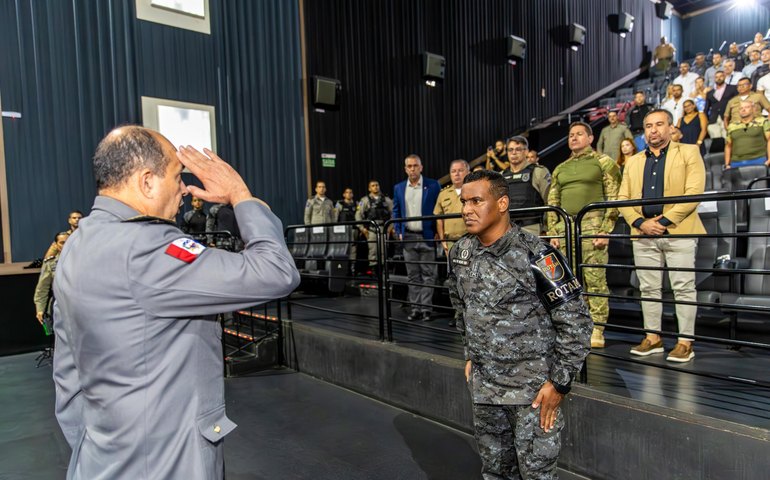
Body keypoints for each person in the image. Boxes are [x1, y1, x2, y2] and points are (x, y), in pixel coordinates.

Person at [52, 126, 300, 479]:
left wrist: (105, 446)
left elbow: (68, 375)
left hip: (100, 460)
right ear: (147, 181)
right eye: (177, 176)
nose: (184, 189)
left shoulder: (76, 246)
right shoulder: (148, 248)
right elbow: (276, 271)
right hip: (166, 465)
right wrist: (240, 194)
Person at [448, 169, 591, 480]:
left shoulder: (537, 254)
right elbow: (461, 305)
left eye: (476, 201)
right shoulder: (461, 252)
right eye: (464, 202)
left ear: (502, 204)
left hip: (532, 394)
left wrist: (559, 384)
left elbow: (577, 322)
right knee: (495, 472)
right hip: (486, 391)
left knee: (537, 475)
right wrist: (470, 353)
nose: (467, 209)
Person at [618, 109, 706, 363]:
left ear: (670, 127)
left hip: (679, 230)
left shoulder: (689, 152)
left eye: (659, 124)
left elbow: (693, 194)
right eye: (648, 126)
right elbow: (623, 198)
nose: (653, 130)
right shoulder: (633, 161)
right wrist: (641, 223)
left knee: (683, 287)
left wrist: (663, 222)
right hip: (643, 233)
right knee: (648, 288)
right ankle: (653, 338)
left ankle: (685, 342)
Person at [546, 122, 621, 349]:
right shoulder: (560, 168)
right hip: (565, 229)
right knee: (568, 281)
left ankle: (597, 328)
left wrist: (605, 229)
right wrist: (553, 231)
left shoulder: (604, 162)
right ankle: (575, 326)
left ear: (590, 138)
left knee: (595, 279)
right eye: (571, 135)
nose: (574, 137)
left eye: (579, 134)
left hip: (592, 227)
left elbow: (614, 197)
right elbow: (553, 202)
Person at [393, 154, 441, 321]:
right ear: (405, 169)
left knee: (428, 274)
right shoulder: (399, 188)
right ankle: (416, 309)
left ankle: (426, 309)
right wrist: (398, 230)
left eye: (415, 166)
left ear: (421, 167)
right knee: (413, 275)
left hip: (427, 236)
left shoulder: (433, 185)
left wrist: (438, 231)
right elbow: (396, 211)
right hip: (408, 237)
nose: (412, 169)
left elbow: (438, 209)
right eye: (409, 166)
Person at [501, 136, 551, 234]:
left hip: (533, 228)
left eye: (518, 149)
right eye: (510, 150)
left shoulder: (538, 172)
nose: (514, 153)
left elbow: (549, 201)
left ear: (526, 151)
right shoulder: (501, 176)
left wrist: (546, 229)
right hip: (507, 229)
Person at [34, 231, 69, 328]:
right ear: (56, 245)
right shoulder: (51, 263)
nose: (65, 245)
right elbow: (42, 288)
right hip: (59, 302)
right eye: (62, 243)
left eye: (68, 242)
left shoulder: (81, 260)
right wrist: (40, 309)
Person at [434, 159, 469, 255]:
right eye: (453, 171)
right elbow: (439, 218)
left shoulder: (474, 191)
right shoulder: (443, 194)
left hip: (470, 240)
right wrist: (442, 240)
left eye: (460, 170)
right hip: (450, 242)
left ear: (468, 172)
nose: (457, 174)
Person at [356, 180, 394, 267]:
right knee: (373, 251)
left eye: (377, 185)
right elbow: (358, 215)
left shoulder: (386, 199)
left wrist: (390, 227)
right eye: (373, 185)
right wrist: (362, 228)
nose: (375, 187)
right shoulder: (364, 200)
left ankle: (384, 269)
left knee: (384, 250)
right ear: (369, 188)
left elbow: (394, 214)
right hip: (371, 229)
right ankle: (374, 270)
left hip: (384, 228)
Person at [725, 100, 770, 168]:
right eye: (741, 108)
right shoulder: (732, 126)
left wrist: (769, 160)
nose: (743, 110)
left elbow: (769, 140)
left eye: (747, 107)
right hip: (736, 162)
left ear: (753, 109)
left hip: (759, 160)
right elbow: (728, 146)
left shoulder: (763, 122)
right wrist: (727, 164)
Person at [705, 70, 738, 139]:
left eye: (721, 76)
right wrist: (707, 120)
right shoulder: (710, 93)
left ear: (725, 77)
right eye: (716, 77)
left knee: (728, 139)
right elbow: (706, 108)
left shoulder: (733, 88)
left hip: (728, 118)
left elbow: (737, 103)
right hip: (713, 120)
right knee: (716, 141)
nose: (719, 78)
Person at [336, 187, 359, 271]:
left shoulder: (356, 204)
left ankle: (352, 267)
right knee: (343, 247)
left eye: (350, 192)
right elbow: (335, 217)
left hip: (353, 229)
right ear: (344, 194)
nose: (349, 194)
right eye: (347, 192)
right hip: (343, 230)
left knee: (353, 248)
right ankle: (343, 268)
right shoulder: (340, 204)